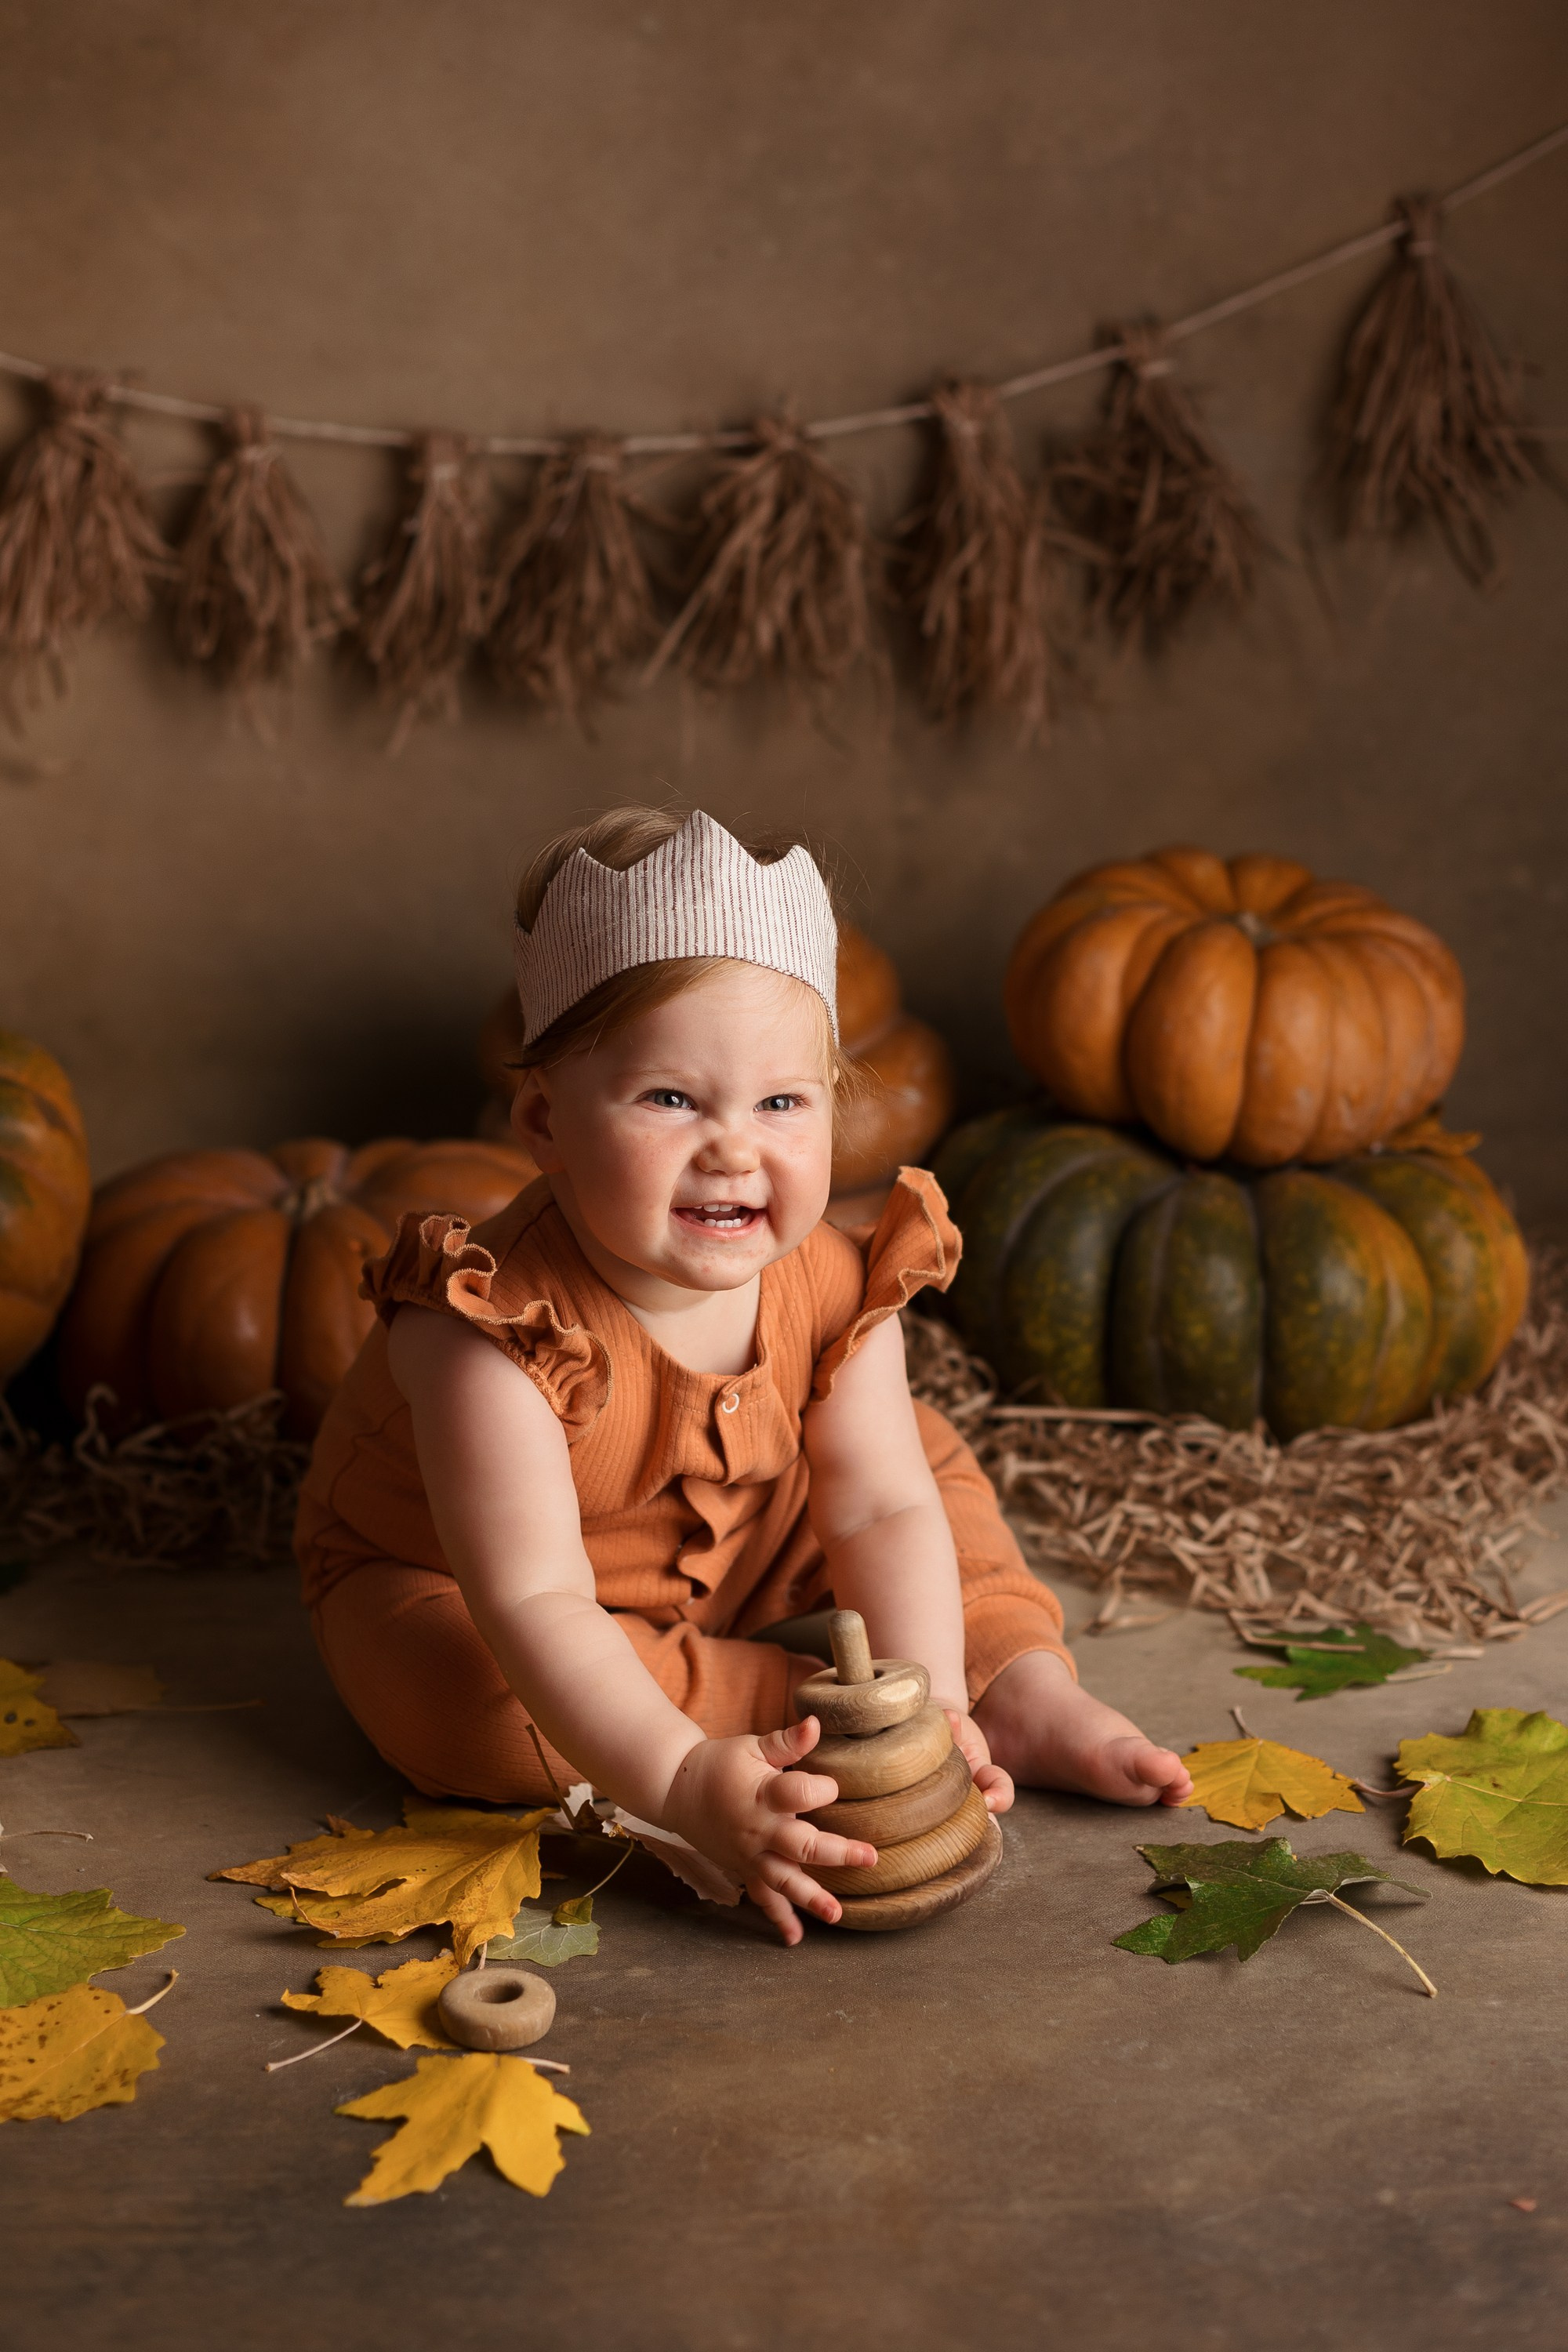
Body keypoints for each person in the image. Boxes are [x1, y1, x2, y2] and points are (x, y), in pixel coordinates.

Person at [297, 808, 1192, 1943]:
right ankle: (788, 1716)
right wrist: (674, 1784)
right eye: (670, 1098)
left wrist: (939, 1709)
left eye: (782, 1104)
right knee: (466, 1706)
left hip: (751, 1547)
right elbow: (535, 1598)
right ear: (545, 1120)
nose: (734, 1147)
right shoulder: (488, 1330)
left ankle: (1008, 1692)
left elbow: (878, 1501)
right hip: (494, 1594)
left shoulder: (832, 1280)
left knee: (925, 1465)